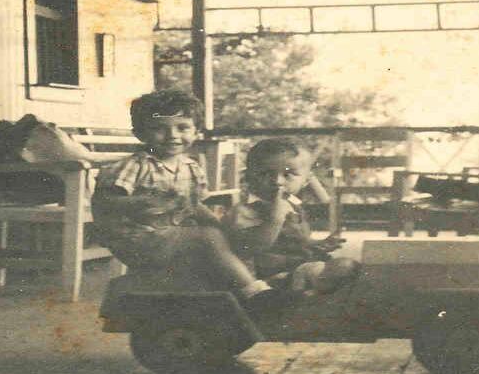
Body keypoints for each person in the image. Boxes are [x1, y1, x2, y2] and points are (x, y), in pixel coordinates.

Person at [92, 89, 271, 301]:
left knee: (226, 236)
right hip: (137, 239)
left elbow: (194, 206)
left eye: (183, 127)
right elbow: (103, 202)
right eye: (159, 128)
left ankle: (230, 293)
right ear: (140, 133)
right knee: (208, 238)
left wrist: (221, 227)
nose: (173, 136)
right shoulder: (135, 166)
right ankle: (254, 292)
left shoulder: (191, 167)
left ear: (196, 131)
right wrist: (140, 202)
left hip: (171, 235)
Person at [224, 138, 359, 296]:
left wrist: (316, 243)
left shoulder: (293, 204)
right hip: (265, 277)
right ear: (248, 176)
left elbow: (296, 240)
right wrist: (275, 220)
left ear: (305, 180)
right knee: (316, 272)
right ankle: (298, 296)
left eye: (288, 174)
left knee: (346, 266)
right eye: (265, 174)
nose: (277, 181)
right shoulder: (244, 211)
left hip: (295, 266)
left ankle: (309, 292)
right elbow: (252, 247)